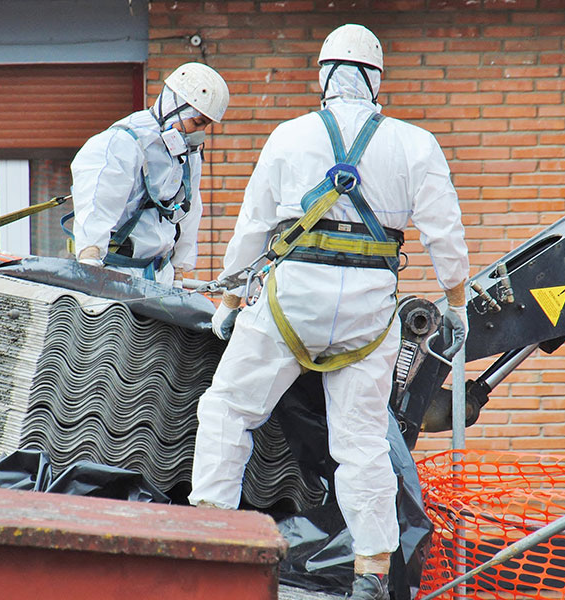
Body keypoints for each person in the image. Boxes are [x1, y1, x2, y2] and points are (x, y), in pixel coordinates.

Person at [189, 24, 469, 600]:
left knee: (229, 408)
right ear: (376, 79)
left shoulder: (290, 137)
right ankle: (371, 571)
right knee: (362, 442)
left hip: (292, 300)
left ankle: (211, 542)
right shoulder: (415, 144)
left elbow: (253, 226)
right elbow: (446, 234)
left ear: (322, 76)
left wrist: (229, 298)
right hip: (368, 312)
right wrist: (457, 300)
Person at [70, 62, 229, 287]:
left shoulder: (187, 155)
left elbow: (190, 211)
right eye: (197, 122)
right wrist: (90, 271)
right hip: (117, 275)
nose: (199, 133)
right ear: (174, 106)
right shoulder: (121, 143)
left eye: (206, 126)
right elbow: (96, 209)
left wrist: (179, 271)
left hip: (158, 275)